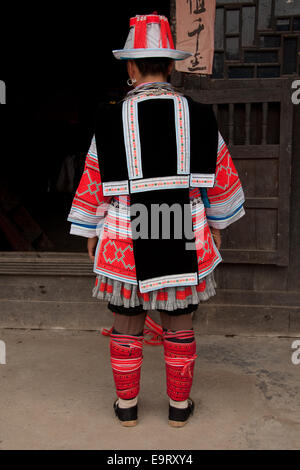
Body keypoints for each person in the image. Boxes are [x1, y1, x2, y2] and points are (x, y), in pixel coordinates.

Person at [67, 13, 245, 427]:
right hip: (179, 226)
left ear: (130, 67)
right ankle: (179, 410)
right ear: (169, 66)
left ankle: (127, 409)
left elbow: (93, 179)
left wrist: (91, 230)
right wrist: (216, 226)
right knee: (178, 318)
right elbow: (221, 177)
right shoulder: (200, 116)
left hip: (126, 231)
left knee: (125, 316)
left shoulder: (109, 119)